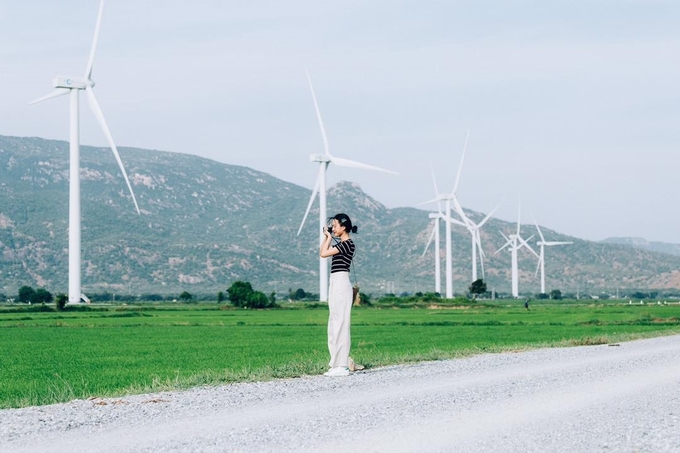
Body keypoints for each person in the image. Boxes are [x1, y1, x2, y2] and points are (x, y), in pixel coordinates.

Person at [319, 213, 357, 377]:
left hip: (341, 282)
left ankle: (342, 365)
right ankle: (335, 363)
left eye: (335, 226)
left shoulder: (348, 244)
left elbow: (323, 253)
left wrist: (327, 237)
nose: (333, 228)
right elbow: (323, 251)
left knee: (341, 323)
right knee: (334, 324)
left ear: (344, 227)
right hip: (335, 282)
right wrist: (327, 237)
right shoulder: (342, 244)